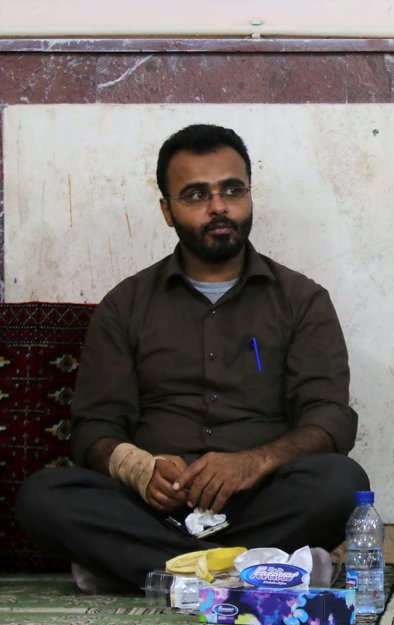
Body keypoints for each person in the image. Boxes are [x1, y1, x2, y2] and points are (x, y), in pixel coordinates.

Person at [16, 123, 368, 591]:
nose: (219, 206)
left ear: (249, 196)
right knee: (42, 497)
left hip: (259, 498)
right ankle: (256, 569)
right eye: (197, 194)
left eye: (232, 190)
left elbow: (329, 418)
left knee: (341, 482)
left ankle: (145, 568)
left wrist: (253, 463)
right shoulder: (125, 305)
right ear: (167, 210)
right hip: (151, 507)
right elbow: (93, 428)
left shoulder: (301, 300)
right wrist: (141, 470)